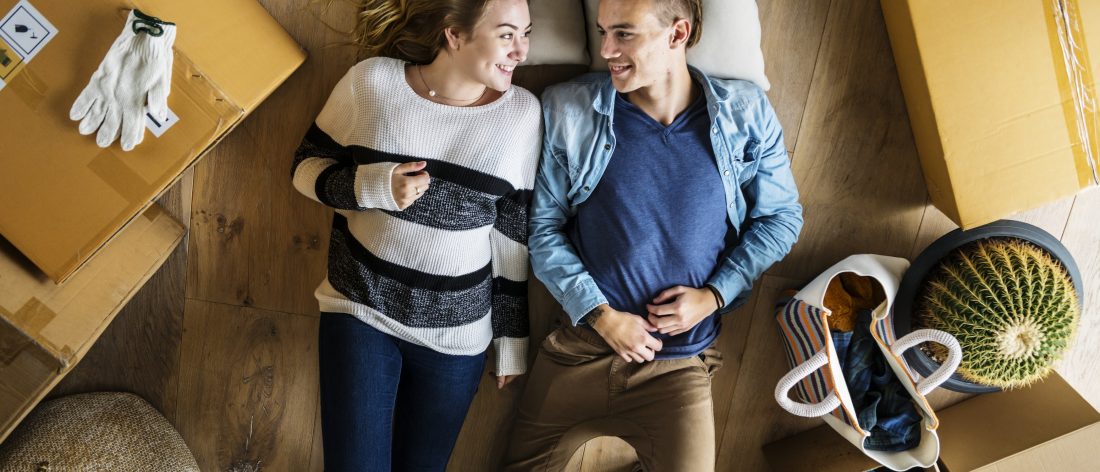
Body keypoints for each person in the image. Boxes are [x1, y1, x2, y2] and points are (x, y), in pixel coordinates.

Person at [503, 0, 803, 470]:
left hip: (678, 368)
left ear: (677, 34)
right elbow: (543, 228)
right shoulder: (568, 109)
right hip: (581, 349)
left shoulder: (744, 111)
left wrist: (714, 297)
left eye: (624, 34)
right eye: (603, 32)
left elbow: (781, 218)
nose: (606, 50)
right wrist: (602, 317)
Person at [289, 0, 540, 470]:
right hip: (361, 308)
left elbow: (512, 238)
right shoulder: (373, 83)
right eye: (507, 34)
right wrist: (371, 186)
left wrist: (511, 340)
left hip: (457, 338)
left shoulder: (522, 116)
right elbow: (304, 167)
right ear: (454, 34)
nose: (522, 51)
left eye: (527, 33)